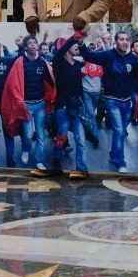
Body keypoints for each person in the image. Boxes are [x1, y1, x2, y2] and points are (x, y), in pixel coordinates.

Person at [78, 30, 138, 173]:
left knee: (118, 132)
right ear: (115, 41)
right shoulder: (107, 56)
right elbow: (88, 55)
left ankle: (113, 155)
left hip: (127, 102)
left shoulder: (132, 59)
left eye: (127, 39)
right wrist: (81, 42)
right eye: (121, 39)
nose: (125, 41)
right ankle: (120, 162)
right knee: (120, 131)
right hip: (112, 100)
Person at [0, 36, 55, 169]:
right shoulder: (20, 61)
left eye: (34, 42)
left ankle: (39, 161)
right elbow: (13, 84)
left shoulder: (43, 62)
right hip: (27, 106)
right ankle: (25, 149)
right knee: (28, 135)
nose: (33, 44)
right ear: (25, 47)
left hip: (40, 105)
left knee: (41, 135)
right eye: (29, 43)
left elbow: (52, 82)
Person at [48, 34, 90, 179]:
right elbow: (61, 51)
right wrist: (74, 36)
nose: (76, 46)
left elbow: (80, 86)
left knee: (81, 140)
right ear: (65, 47)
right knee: (61, 138)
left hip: (76, 107)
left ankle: (81, 169)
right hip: (63, 108)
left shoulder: (78, 64)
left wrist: (83, 103)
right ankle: (56, 162)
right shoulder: (58, 63)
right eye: (73, 45)